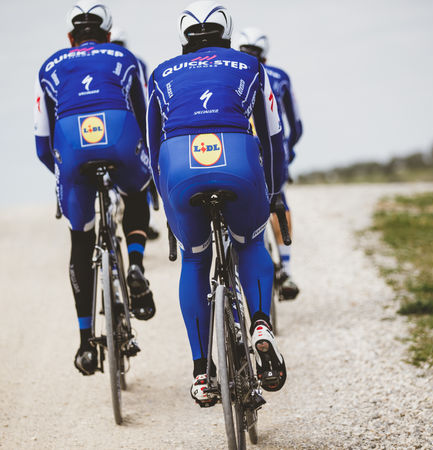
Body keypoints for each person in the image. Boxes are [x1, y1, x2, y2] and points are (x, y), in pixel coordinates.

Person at [147, 1, 287, 407]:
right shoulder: (250, 65)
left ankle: (201, 371)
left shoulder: (161, 72)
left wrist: (167, 203)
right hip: (237, 156)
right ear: (227, 33)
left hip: (179, 166)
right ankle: (259, 324)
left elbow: (153, 146)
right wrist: (274, 192)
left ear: (183, 37)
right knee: (250, 242)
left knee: (194, 259)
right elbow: (273, 135)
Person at [34, 0, 156, 376]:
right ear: (107, 33)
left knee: (81, 240)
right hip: (119, 135)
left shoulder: (49, 66)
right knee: (137, 192)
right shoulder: (126, 57)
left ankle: (86, 342)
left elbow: (42, 143)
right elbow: (145, 118)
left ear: (70, 37)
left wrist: (65, 176)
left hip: (72, 147)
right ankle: (136, 264)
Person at [239, 27, 303, 300]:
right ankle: (286, 269)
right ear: (265, 55)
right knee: (279, 201)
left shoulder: (234, 73)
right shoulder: (279, 76)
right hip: (274, 153)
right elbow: (296, 125)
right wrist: (289, 150)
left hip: (240, 150)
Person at [110, 26, 160, 241]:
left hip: (107, 125)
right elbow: (145, 97)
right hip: (130, 123)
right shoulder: (135, 61)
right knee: (142, 171)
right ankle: (146, 220)